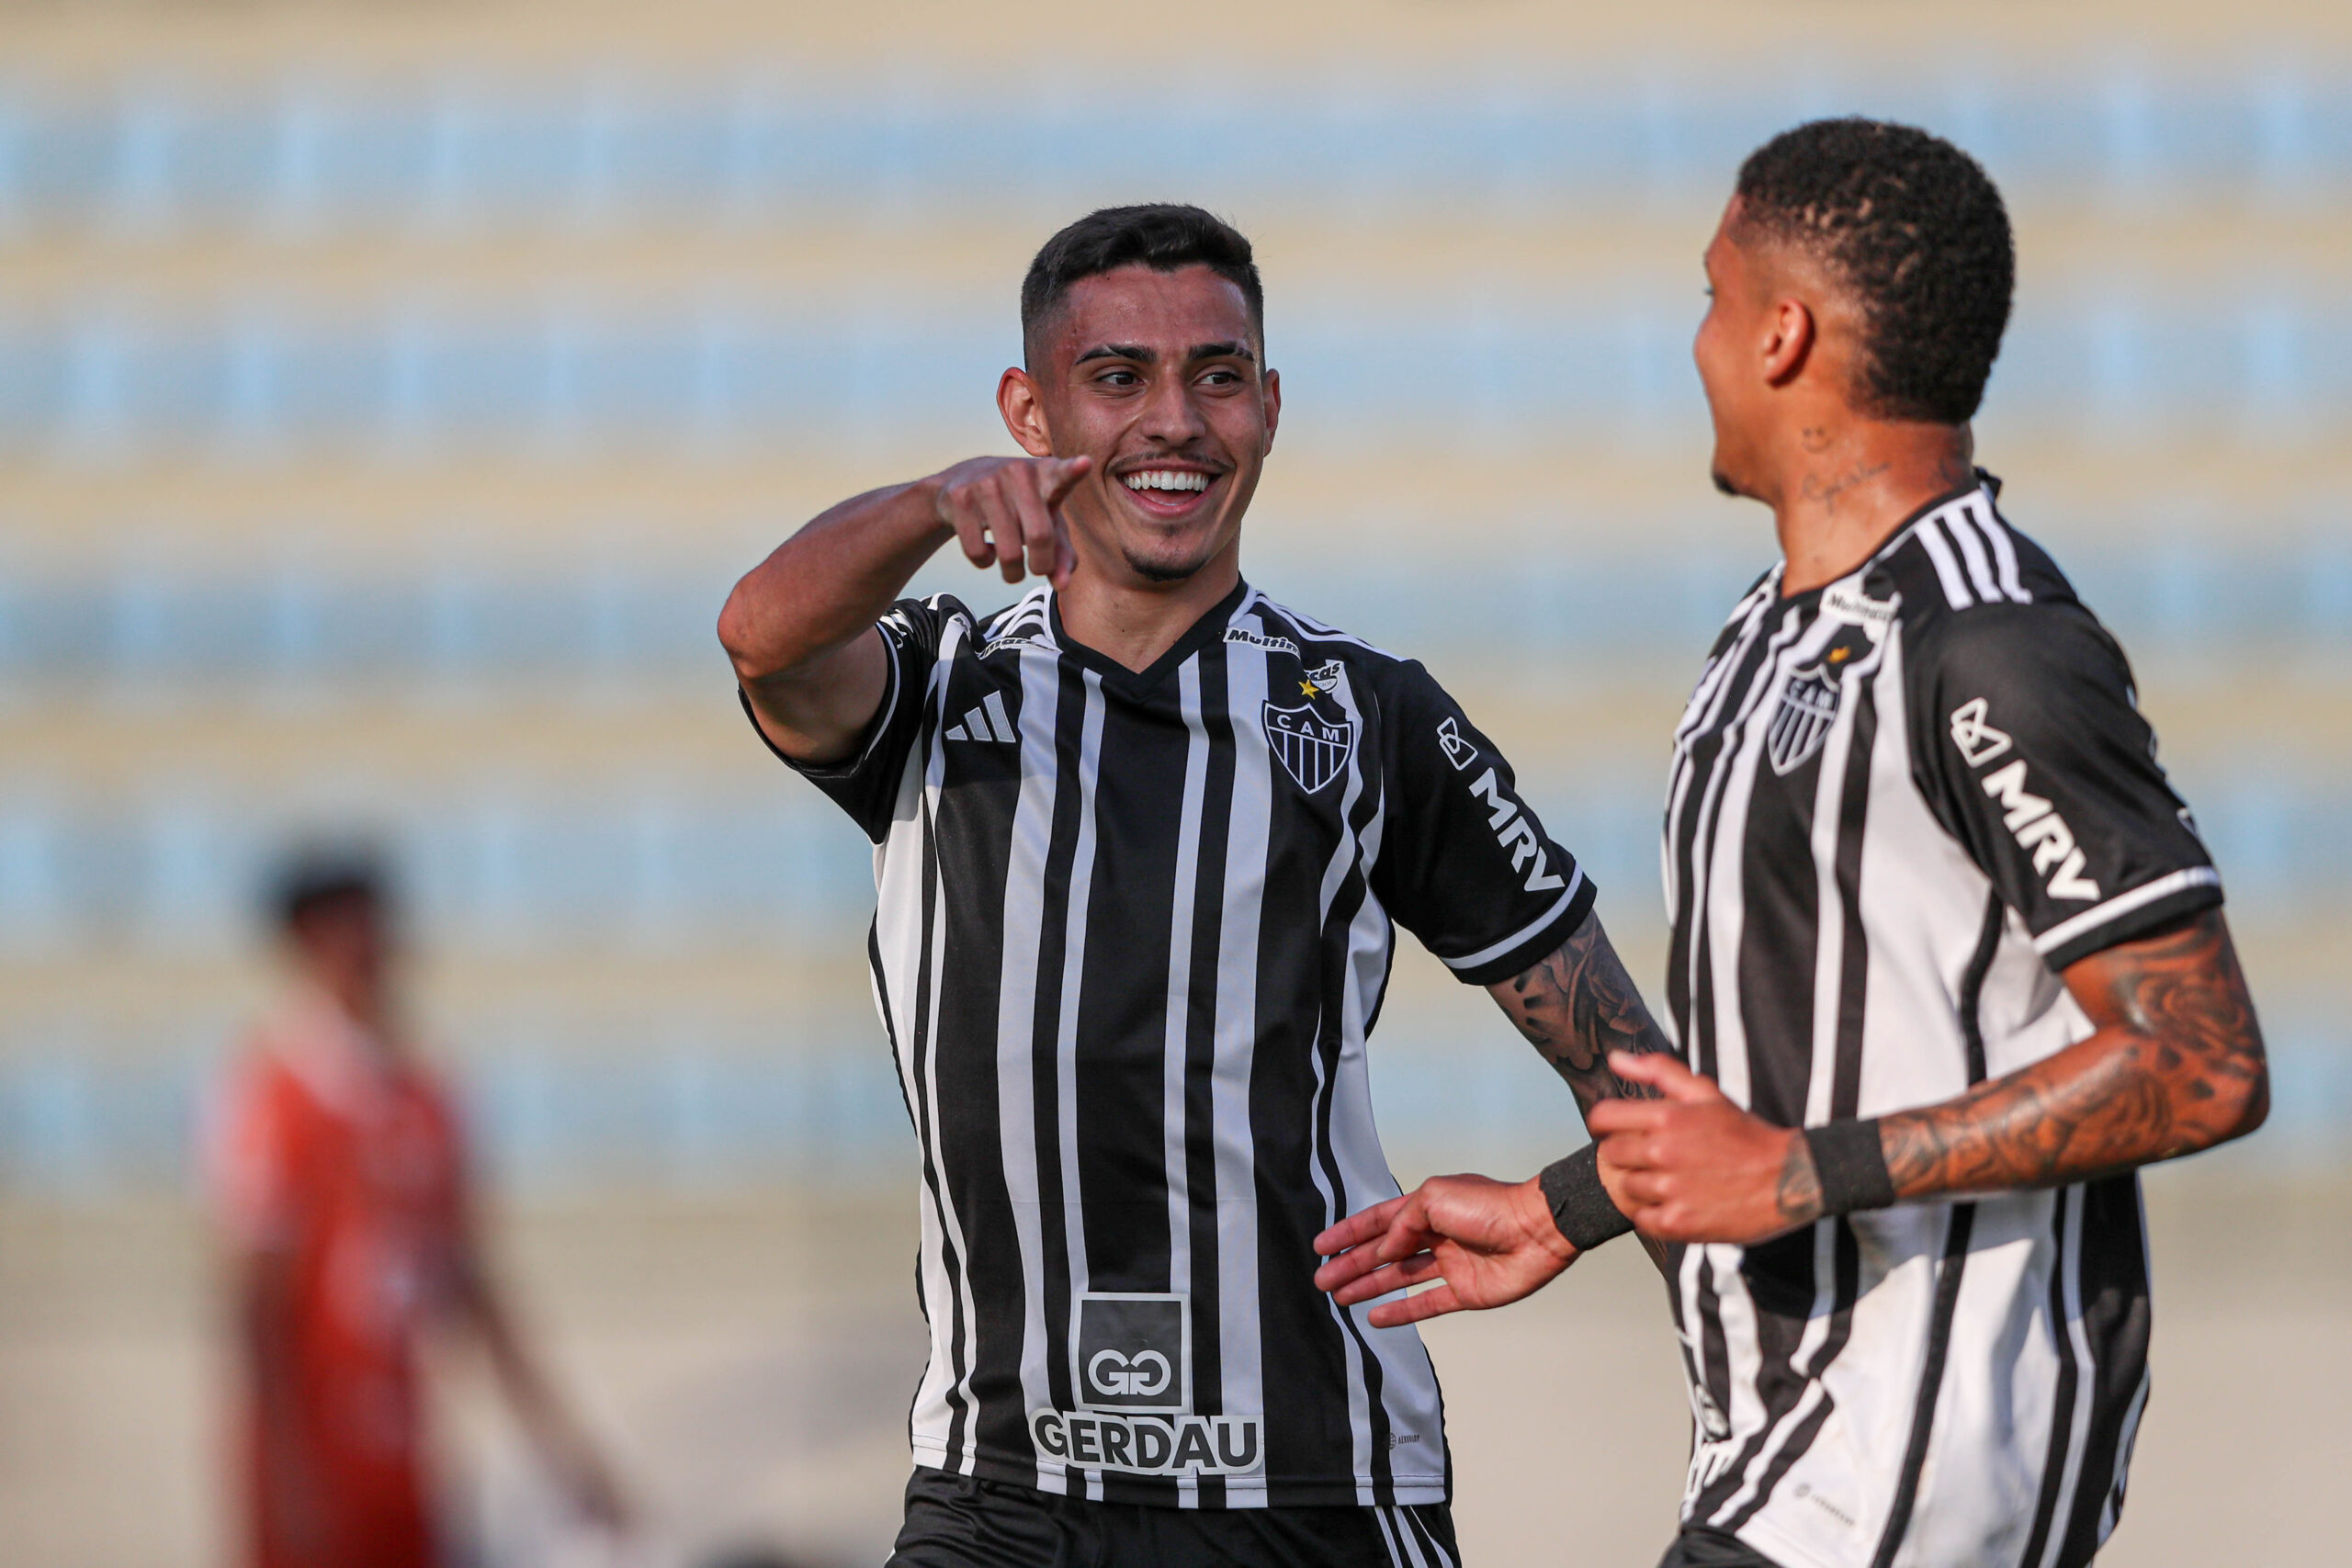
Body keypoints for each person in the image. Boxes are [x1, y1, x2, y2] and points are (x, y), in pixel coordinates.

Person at [1313, 119, 2269, 1568]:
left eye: (1709, 297)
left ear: (1782, 333)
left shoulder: (1990, 643)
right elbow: (1792, 1066)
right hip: (1777, 1440)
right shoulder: (1769, 643)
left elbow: (2201, 1056)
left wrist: (1801, 1174)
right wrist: (1562, 1205)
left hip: (1926, 1451)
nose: (1692, 341)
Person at [718, 203, 1668, 1567]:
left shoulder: (1370, 717)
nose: (1175, 419)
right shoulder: (940, 684)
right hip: (1001, 1494)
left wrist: (1566, 1206)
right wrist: (932, 504)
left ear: (1269, 407)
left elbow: (1642, 1080)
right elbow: (762, 635)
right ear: (1029, 410)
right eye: (1117, 379)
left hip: (1317, 1490)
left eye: (1217, 375)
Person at [209, 850, 628, 1568]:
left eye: (370, 925)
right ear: (303, 946)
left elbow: (472, 1289)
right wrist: (287, 1475)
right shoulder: (273, 1095)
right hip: (314, 1470)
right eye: (338, 930)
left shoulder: (425, 1098)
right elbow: (258, 1304)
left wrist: (565, 1450)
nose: (363, 947)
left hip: (405, 1468)